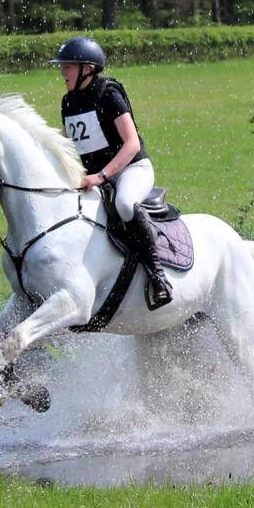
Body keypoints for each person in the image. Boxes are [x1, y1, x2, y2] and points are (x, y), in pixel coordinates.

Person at [50, 36, 173, 309]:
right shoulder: (68, 102)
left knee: (125, 204)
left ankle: (158, 276)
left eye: (68, 66)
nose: (62, 72)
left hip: (131, 169)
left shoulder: (109, 93)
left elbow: (132, 144)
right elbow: (72, 144)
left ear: (87, 68)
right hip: (95, 177)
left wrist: (102, 176)